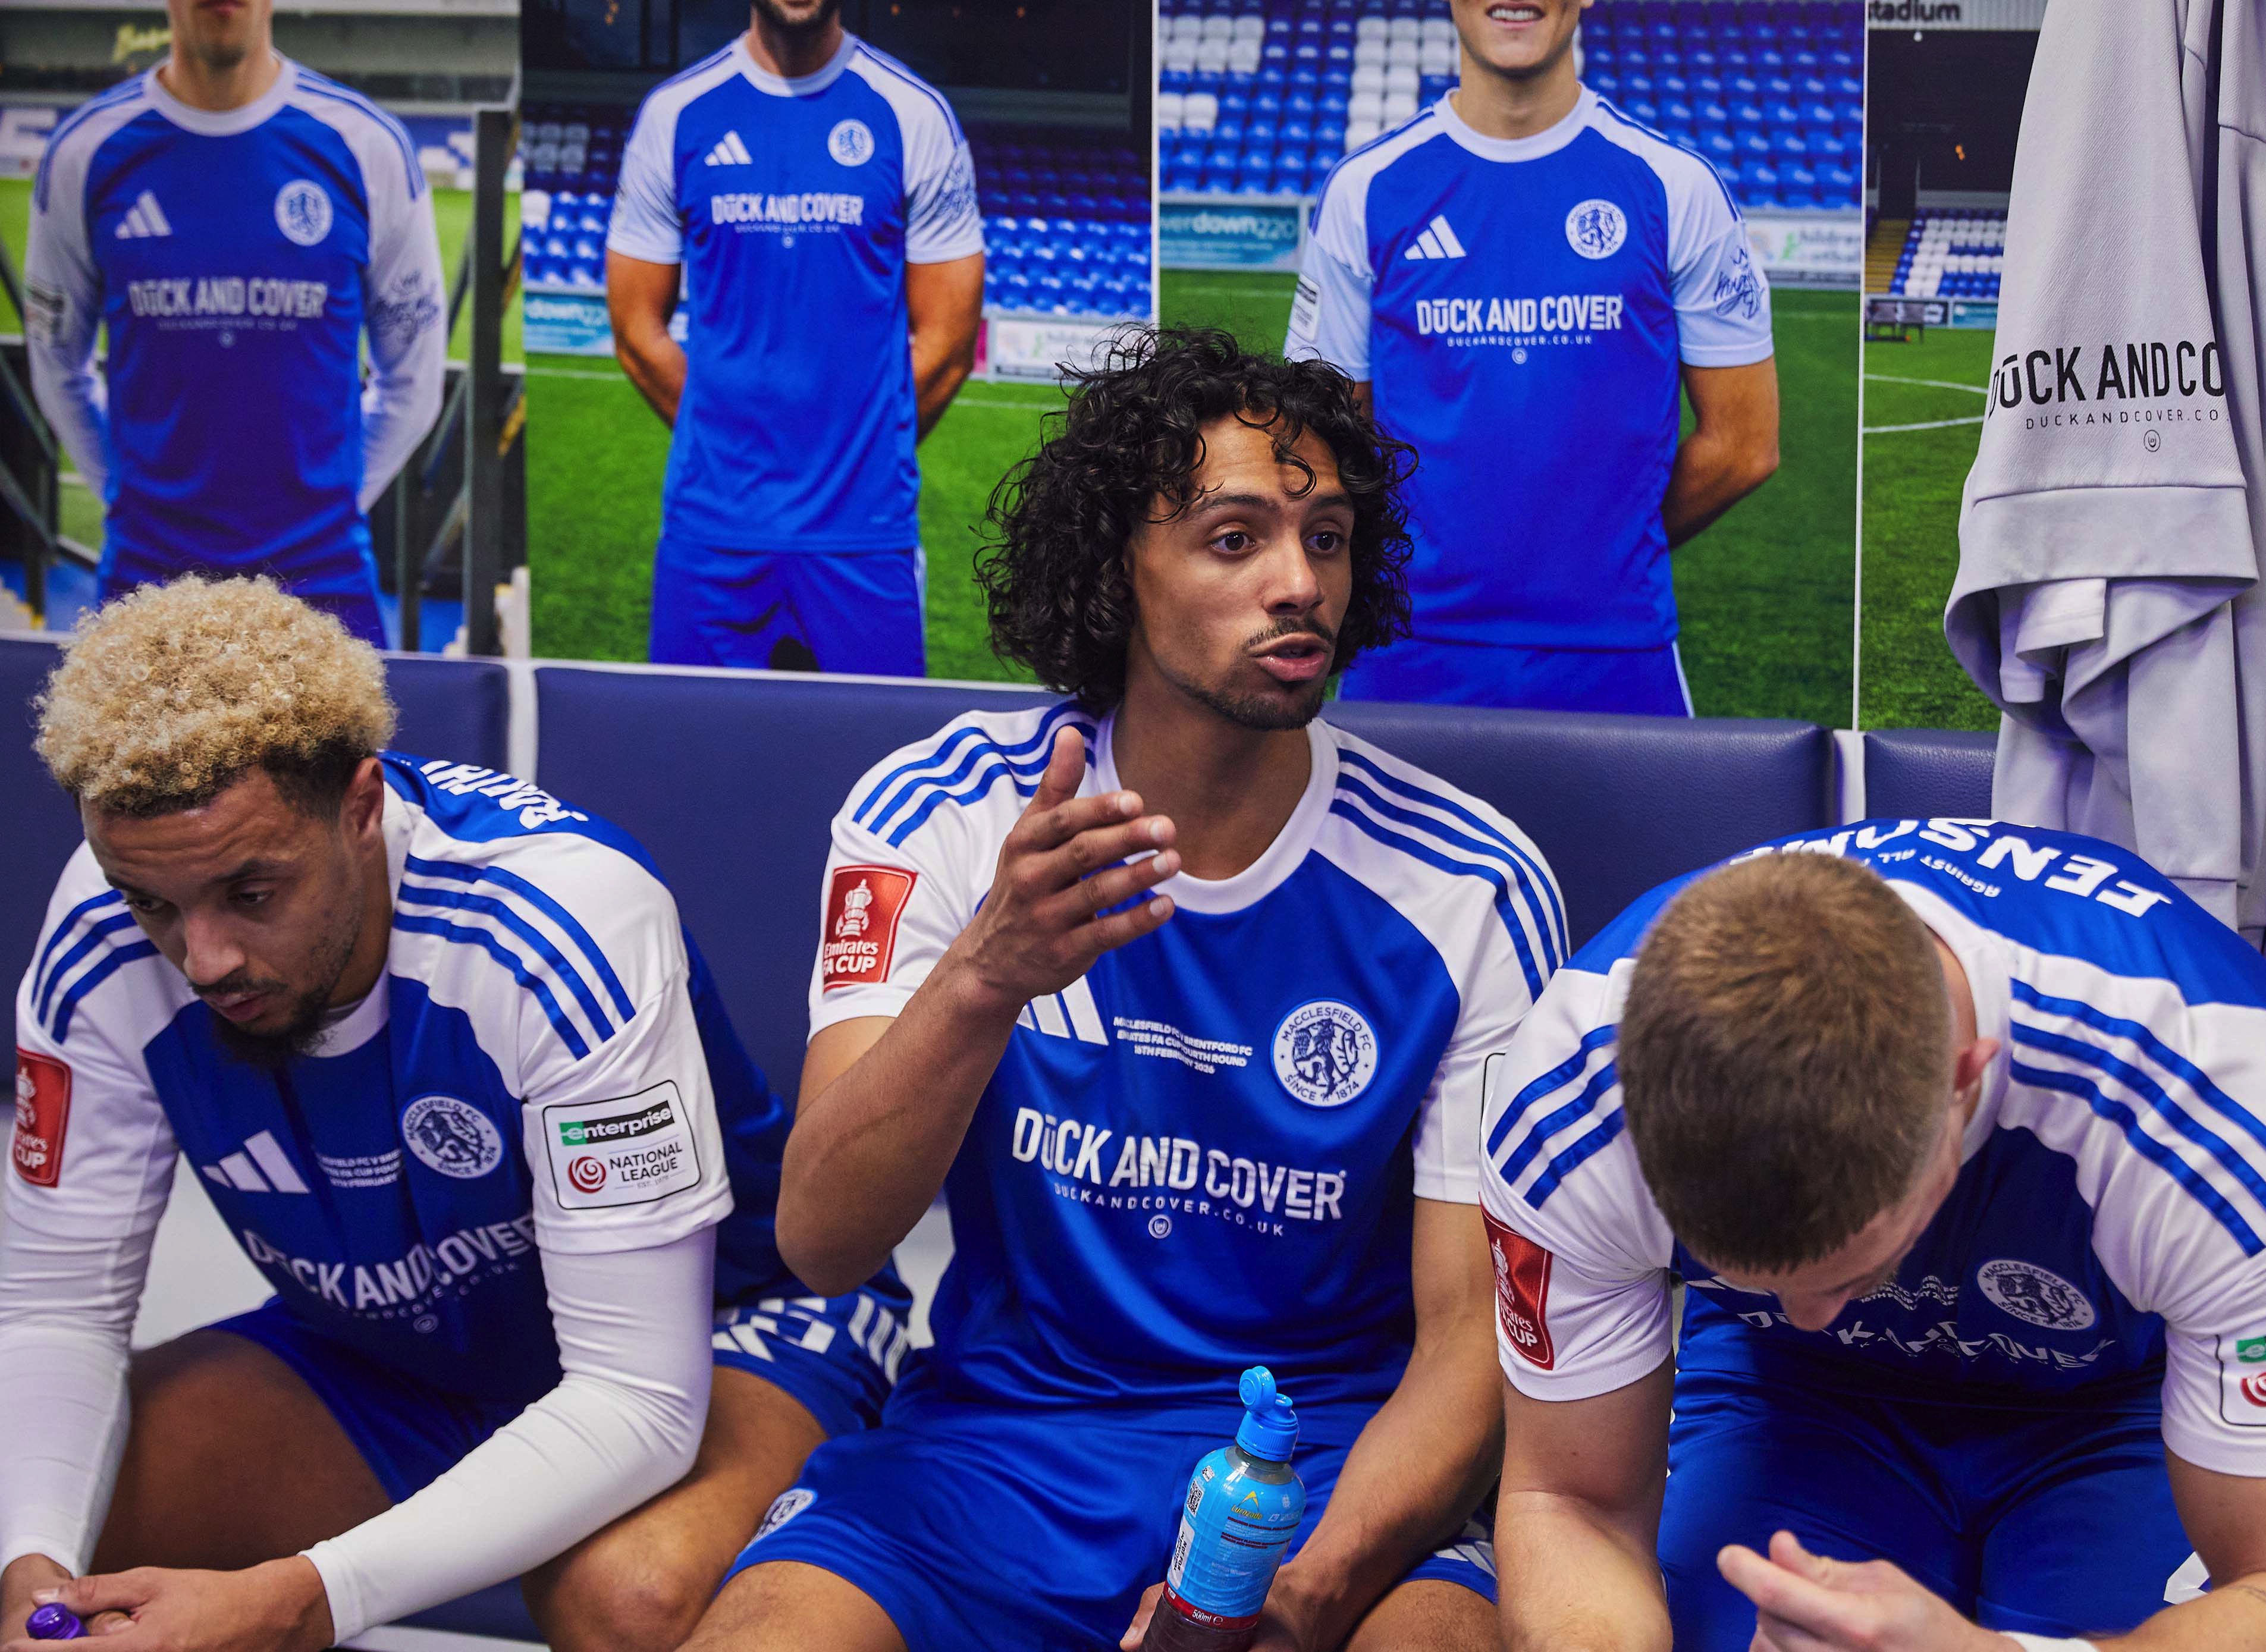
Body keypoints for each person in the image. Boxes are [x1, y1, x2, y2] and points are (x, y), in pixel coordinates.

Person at [676, 328, 1562, 1652]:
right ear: (1112, 572)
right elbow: (822, 1238)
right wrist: (987, 976)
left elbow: (1467, 1347)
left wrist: (1299, 1595)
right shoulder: (941, 814)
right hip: (1001, 1444)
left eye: (1326, 538)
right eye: (1234, 538)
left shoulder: (1470, 886)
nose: (1299, 584)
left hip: (1327, 1458)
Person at [0, 578, 909, 1652]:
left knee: (629, 1600)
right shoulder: (102, 930)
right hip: (397, 1354)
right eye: (153, 902)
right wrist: (33, 1569)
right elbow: (57, 1308)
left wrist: (302, 1598)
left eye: (252, 893)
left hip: (719, 1336)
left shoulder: (563, 923)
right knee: (42, 1525)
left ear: (361, 805)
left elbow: (638, 1398)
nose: (203, 959)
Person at [1479, 824, 2266, 1651]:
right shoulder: (1567, 1104)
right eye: (1752, 1275)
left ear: (1963, 1082)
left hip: (2123, 1401)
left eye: (1847, 1274)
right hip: (1790, 1388)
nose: (1809, 1312)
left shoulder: (2216, 1118)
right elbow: (1572, 1502)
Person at [1286, 0, 1778, 714]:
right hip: (1408, 649)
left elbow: (1745, 445)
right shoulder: (1365, 191)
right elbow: (1327, 442)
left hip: (1615, 656)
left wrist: (1611, 547)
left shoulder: (1676, 187)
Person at [23, 0, 445, 649]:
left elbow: (414, 380)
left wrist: (328, 505)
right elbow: (57, 365)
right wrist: (127, 495)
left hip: (323, 581)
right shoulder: (85, 153)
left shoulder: (368, 147)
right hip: (147, 580)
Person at [606, 0, 986, 675]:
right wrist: (724, 441)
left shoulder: (914, 114)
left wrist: (858, 454)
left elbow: (950, 343)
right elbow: (638, 333)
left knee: (873, 746)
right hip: (713, 534)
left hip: (862, 536)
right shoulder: (675, 114)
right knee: (695, 742)